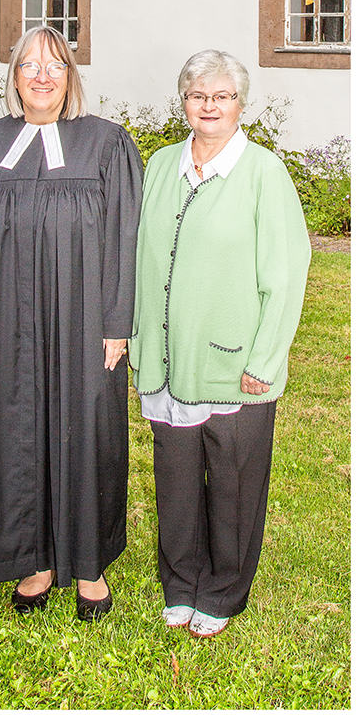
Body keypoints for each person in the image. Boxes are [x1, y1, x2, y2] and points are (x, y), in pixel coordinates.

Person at [0, 26, 143, 620]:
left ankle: (87, 566)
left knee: (83, 431)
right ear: (14, 77)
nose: (42, 75)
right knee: (12, 430)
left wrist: (117, 321)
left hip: (82, 322)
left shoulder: (105, 145)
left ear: (70, 76)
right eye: (29, 64)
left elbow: (126, 239)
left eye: (55, 64)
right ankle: (32, 560)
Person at [128, 49, 311, 638]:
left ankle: (224, 589)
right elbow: (136, 260)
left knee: (232, 487)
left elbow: (286, 272)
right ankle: (180, 583)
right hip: (167, 360)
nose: (209, 106)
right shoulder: (159, 167)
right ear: (183, 103)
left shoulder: (263, 173)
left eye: (222, 96)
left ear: (240, 104)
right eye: (198, 95)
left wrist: (265, 360)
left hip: (236, 365)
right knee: (176, 484)